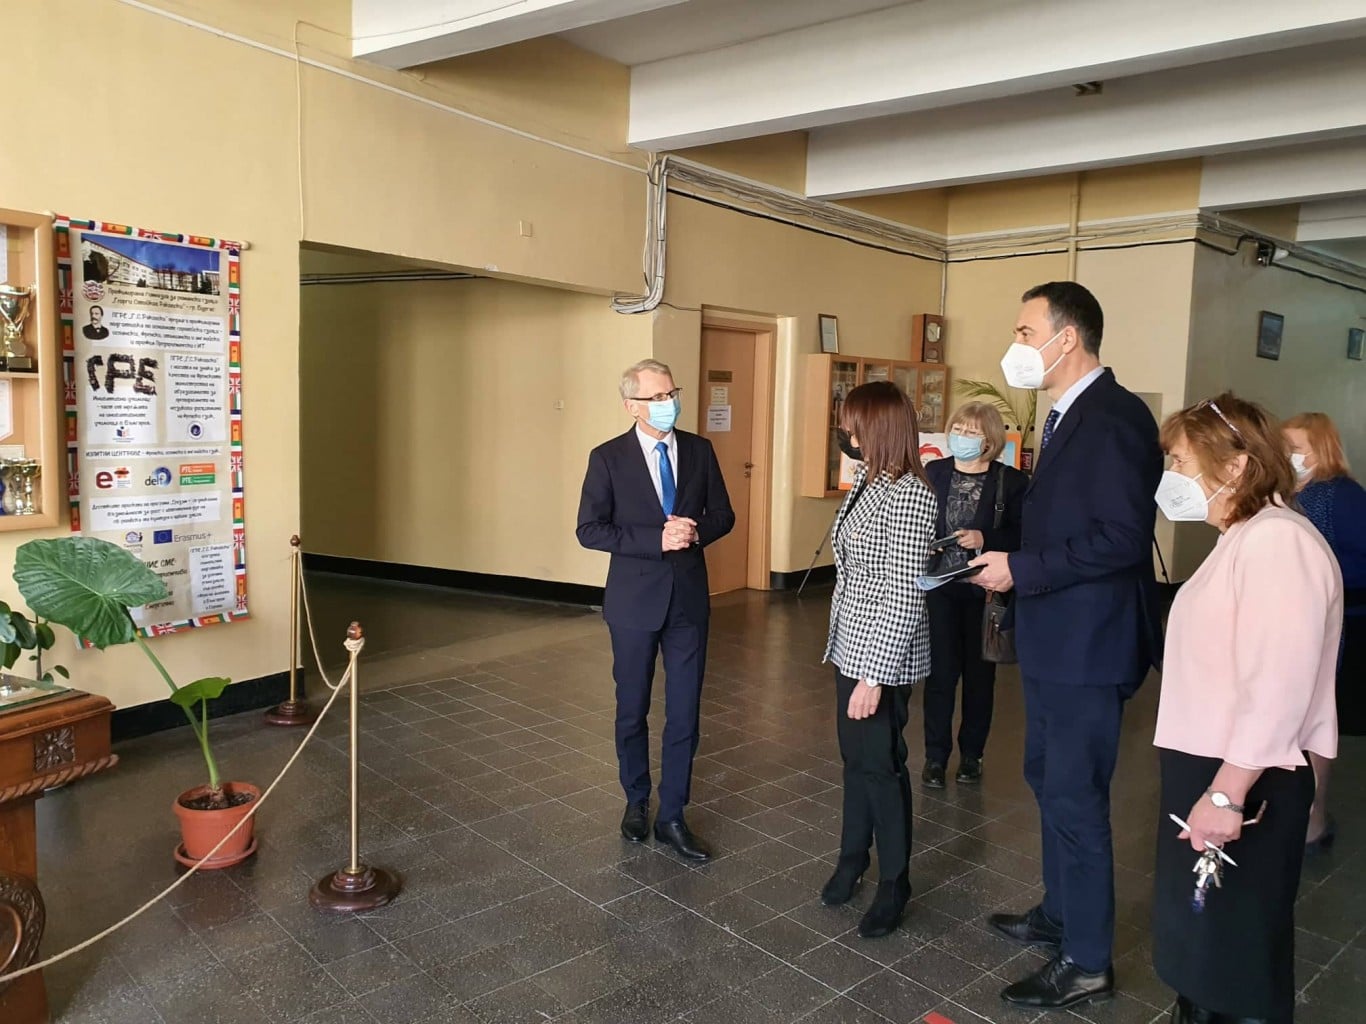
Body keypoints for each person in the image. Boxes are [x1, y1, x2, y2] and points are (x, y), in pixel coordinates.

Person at [970, 282, 1163, 1009]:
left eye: (1025, 332)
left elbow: (1120, 539)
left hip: (1089, 646)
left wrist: (1022, 570)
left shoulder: (1114, 418)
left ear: (1067, 337)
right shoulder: (1065, 415)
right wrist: (997, 549)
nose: (1015, 346)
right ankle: (1059, 914)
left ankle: (1086, 961)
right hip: (1056, 639)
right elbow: (1062, 523)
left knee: (1076, 798)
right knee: (1048, 779)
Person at [1153, 394, 1341, 1024]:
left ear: (1234, 467)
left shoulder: (1277, 542)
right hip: (1215, 767)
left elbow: (1277, 684)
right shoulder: (1244, 537)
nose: (1171, 476)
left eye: (1181, 461)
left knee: (1230, 954)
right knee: (1205, 945)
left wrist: (1227, 794)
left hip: (1245, 779)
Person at [575, 359, 734, 861]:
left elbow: (724, 514)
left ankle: (673, 816)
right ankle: (636, 799)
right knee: (632, 708)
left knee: (684, 712)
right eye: (658, 397)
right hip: (633, 603)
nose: (669, 404)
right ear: (632, 406)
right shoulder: (608, 458)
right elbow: (590, 529)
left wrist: (695, 531)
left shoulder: (700, 450)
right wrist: (655, 539)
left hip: (688, 601)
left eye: (672, 393)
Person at [819, 381, 937, 939]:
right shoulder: (868, 482)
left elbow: (905, 592)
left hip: (880, 655)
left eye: (854, 425)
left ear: (880, 428)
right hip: (850, 644)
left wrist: (874, 676)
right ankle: (852, 858)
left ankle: (894, 881)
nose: (847, 434)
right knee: (855, 760)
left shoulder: (911, 494)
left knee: (882, 767)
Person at [920, 402, 1026, 789]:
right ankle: (935, 756)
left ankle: (971, 755)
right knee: (940, 675)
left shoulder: (1010, 482)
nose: (962, 437)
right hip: (940, 588)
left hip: (986, 591)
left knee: (980, 678)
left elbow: (1025, 536)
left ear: (989, 439)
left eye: (971, 432)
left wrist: (986, 538)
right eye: (958, 430)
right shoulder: (934, 472)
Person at [1284, 411, 1366, 852]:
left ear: (1321, 451)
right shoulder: (1288, 493)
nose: (1286, 456)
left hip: (1334, 622)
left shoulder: (1342, 496)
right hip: (1293, 619)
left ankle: (1312, 820)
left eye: (1295, 449)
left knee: (1316, 718)